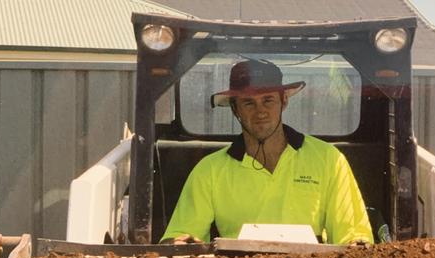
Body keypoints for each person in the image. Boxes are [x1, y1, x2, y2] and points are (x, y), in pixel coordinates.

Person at [160, 59, 373, 245]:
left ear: (284, 100)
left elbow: (354, 236)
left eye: (268, 100)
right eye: (248, 102)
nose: (260, 111)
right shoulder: (209, 171)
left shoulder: (329, 160)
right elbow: (182, 238)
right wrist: (180, 240)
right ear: (235, 109)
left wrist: (356, 244)